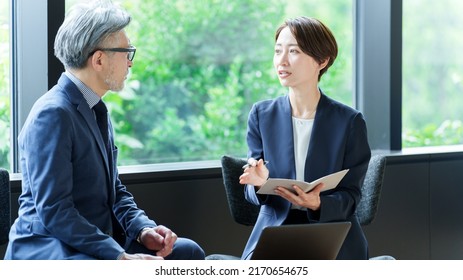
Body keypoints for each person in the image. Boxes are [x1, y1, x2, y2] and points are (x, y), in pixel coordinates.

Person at [4, 0, 205, 260]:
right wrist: (119, 257)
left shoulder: (94, 108)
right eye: (126, 52)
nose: (130, 63)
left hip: (91, 240)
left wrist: (143, 228)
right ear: (99, 59)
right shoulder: (52, 114)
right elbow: (55, 211)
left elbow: (114, 190)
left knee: (187, 252)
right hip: (52, 247)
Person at [239, 16, 371, 260]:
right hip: (276, 229)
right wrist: (257, 183)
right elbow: (251, 191)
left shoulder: (349, 122)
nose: (282, 60)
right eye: (278, 51)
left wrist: (318, 203)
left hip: (331, 231)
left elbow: (352, 197)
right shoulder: (261, 115)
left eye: (294, 51)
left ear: (322, 61)